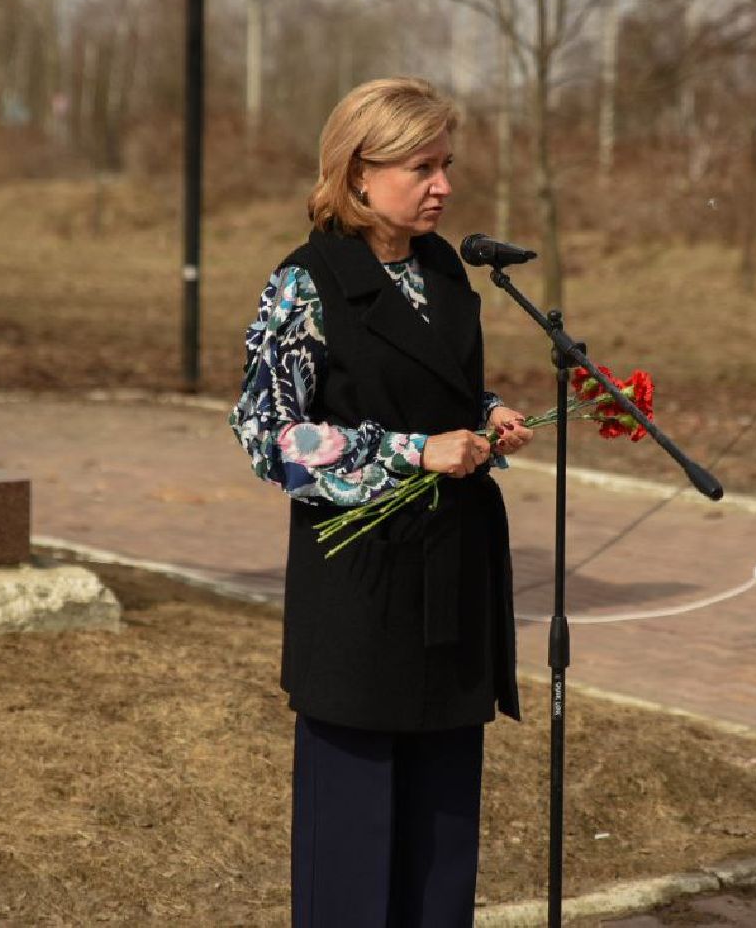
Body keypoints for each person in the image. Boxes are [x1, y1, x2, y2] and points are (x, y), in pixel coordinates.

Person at [230, 76, 533, 926]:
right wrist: (412, 453)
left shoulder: (442, 271)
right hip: (359, 592)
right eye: (421, 167)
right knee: (353, 847)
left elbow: (422, 387)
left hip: (451, 583)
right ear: (359, 172)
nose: (443, 185)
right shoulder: (306, 282)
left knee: (441, 839)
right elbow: (267, 434)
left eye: (446, 165)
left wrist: (483, 414)